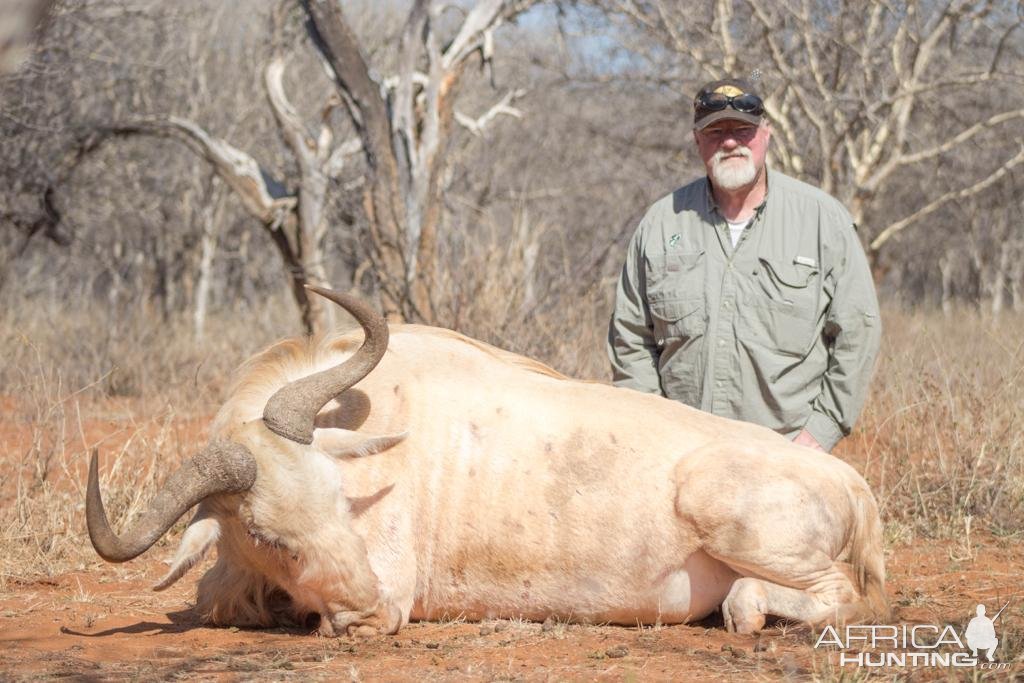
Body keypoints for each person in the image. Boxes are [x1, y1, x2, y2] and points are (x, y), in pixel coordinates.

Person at [607, 77, 881, 452]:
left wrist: (817, 435)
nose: (730, 141)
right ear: (697, 141)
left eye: (743, 129)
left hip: (785, 458)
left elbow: (857, 333)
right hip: (681, 457)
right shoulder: (661, 223)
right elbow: (630, 337)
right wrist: (654, 433)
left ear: (766, 133)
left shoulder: (823, 221)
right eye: (715, 131)